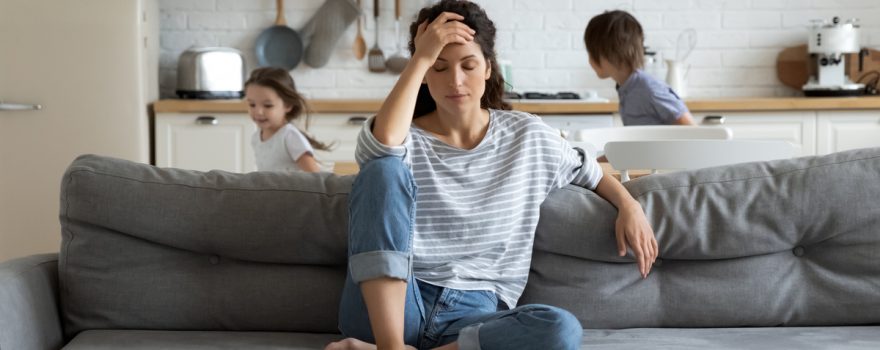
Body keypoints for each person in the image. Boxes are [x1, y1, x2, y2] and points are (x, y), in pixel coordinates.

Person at [326, 2, 658, 350]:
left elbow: (589, 171)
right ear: (423, 73)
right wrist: (420, 57)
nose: (455, 81)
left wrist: (629, 205)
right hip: (391, 306)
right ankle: (390, 346)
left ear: (487, 67)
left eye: (468, 65)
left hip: (473, 317)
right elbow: (382, 150)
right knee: (382, 169)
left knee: (560, 329)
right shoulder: (402, 137)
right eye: (438, 67)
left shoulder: (527, 136)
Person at [584, 10, 695, 126]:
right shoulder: (626, 87)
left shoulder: (650, 89)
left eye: (592, 52)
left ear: (612, 53)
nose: (590, 59)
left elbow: (692, 131)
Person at [244, 67, 332, 172]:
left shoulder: (290, 137)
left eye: (268, 105)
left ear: (288, 105)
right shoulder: (256, 137)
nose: (258, 111)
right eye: (252, 104)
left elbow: (316, 177)